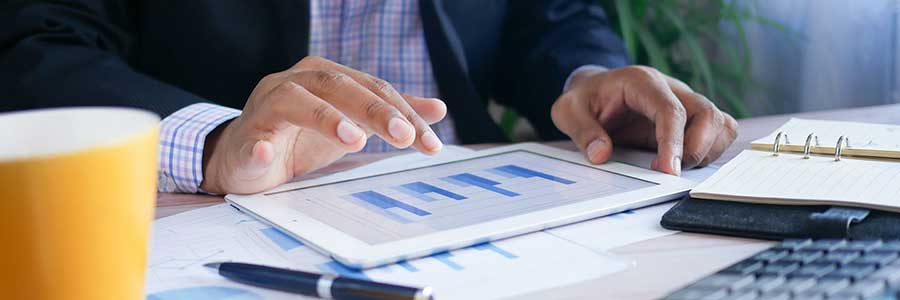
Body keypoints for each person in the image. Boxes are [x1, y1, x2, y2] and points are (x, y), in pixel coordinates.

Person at [0, 0, 737, 195]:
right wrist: (221, 142)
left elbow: (546, 16)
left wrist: (589, 78)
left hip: (475, 205)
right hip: (227, 214)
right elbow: (36, 46)